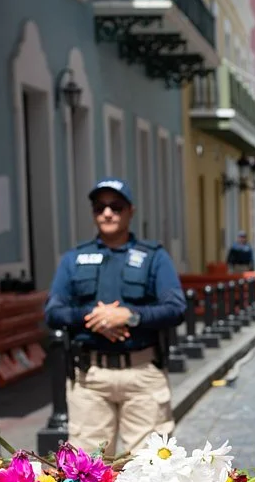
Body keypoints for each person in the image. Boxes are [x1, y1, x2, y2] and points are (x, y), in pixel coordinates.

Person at [44, 178, 186, 455]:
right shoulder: (75, 258)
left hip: (143, 374)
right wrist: (96, 317)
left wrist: (129, 316)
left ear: (130, 211)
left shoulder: (153, 257)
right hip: (91, 379)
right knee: (88, 473)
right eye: (100, 207)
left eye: (116, 206)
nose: (107, 213)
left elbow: (176, 307)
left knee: (152, 471)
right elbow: (53, 312)